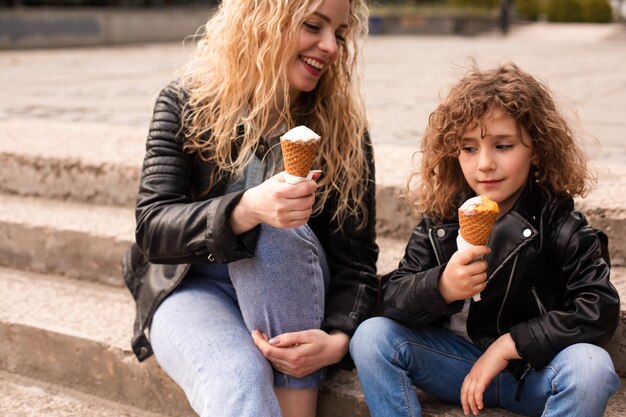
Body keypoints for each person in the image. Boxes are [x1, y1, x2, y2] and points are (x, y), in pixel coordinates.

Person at [121, 0, 378, 416]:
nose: (330, 46)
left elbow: (358, 261)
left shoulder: (343, 128)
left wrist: (338, 338)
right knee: (238, 379)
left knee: (279, 233)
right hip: (191, 286)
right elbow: (153, 228)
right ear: (262, 22)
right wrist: (246, 208)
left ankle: (298, 405)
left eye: (341, 34)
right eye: (314, 26)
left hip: (291, 287)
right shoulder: (186, 102)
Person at [350, 62, 621, 417]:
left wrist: (511, 345)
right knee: (370, 337)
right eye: (469, 148)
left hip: (532, 373)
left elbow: (598, 306)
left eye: (503, 146)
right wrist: (442, 286)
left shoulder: (560, 223)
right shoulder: (442, 218)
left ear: (536, 149)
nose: (485, 164)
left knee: (592, 366)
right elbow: (394, 297)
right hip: (454, 364)